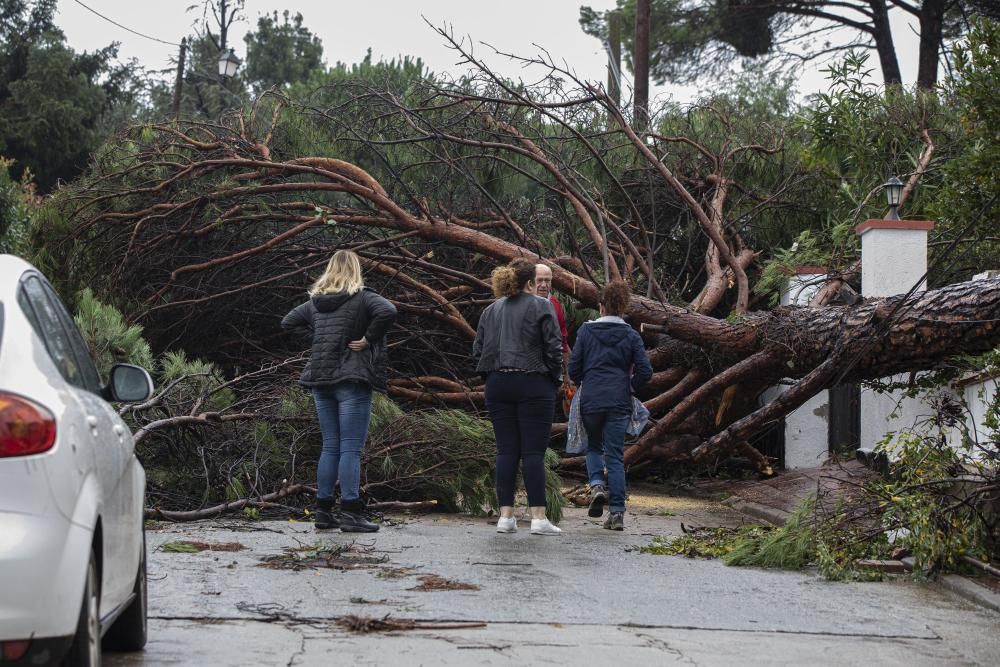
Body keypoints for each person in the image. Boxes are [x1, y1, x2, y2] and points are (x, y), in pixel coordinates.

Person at [282, 250, 397, 533]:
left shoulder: (315, 303)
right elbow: (389, 311)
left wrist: (319, 340)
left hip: (321, 380)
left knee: (330, 445)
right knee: (350, 448)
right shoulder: (363, 297)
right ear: (355, 270)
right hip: (351, 379)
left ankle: (322, 511)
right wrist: (367, 339)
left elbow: (287, 323)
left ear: (329, 270)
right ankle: (350, 512)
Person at [473, 258, 564, 536]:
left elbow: (478, 350)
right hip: (533, 382)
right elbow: (553, 346)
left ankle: (506, 517)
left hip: (498, 384)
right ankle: (538, 518)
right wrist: (554, 378)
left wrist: (489, 378)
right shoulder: (542, 306)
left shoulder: (490, 310)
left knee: (506, 450)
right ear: (529, 282)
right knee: (533, 452)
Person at [568, 280, 652, 531]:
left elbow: (573, 369)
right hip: (619, 401)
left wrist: (588, 380)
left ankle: (596, 485)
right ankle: (616, 514)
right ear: (623, 307)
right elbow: (645, 371)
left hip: (592, 399)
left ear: (601, 306)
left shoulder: (585, 331)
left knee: (593, 446)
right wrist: (630, 386)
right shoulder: (631, 335)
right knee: (615, 456)